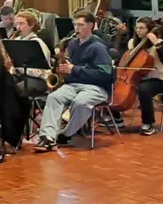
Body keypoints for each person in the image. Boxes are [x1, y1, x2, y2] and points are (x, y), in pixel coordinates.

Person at [34, 9, 113, 151]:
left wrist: (74, 70)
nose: (76, 28)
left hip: (96, 88)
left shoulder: (99, 47)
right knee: (53, 97)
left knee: (80, 102)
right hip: (74, 84)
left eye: (81, 25)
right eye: (75, 25)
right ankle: (47, 138)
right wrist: (64, 71)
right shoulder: (72, 44)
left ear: (91, 26)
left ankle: (66, 134)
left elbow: (106, 75)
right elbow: (72, 70)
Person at [121, 17, 163, 136]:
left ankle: (148, 124)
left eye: (142, 28)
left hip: (160, 79)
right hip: (139, 77)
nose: (138, 30)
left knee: (144, 89)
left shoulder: (161, 43)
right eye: (137, 28)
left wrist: (156, 43)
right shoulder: (132, 43)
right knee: (114, 85)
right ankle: (115, 118)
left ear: (150, 30)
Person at [9, 11, 52, 100]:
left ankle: (22, 112)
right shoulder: (16, 41)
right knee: (2, 85)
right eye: (16, 24)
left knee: (16, 89)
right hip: (21, 76)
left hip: (39, 80)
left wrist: (18, 68)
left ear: (31, 25)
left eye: (21, 24)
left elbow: (40, 72)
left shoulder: (37, 43)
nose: (18, 27)